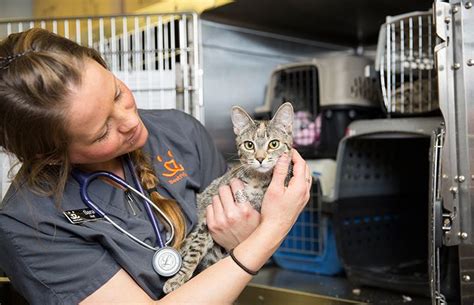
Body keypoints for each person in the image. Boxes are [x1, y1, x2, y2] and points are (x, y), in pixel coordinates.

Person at [0, 28, 311, 305]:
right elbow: (252, 247)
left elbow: (229, 243)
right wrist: (269, 231)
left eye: (117, 93)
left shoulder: (181, 132)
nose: (131, 121)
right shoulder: (29, 225)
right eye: (102, 131)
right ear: (53, 156)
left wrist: (239, 241)